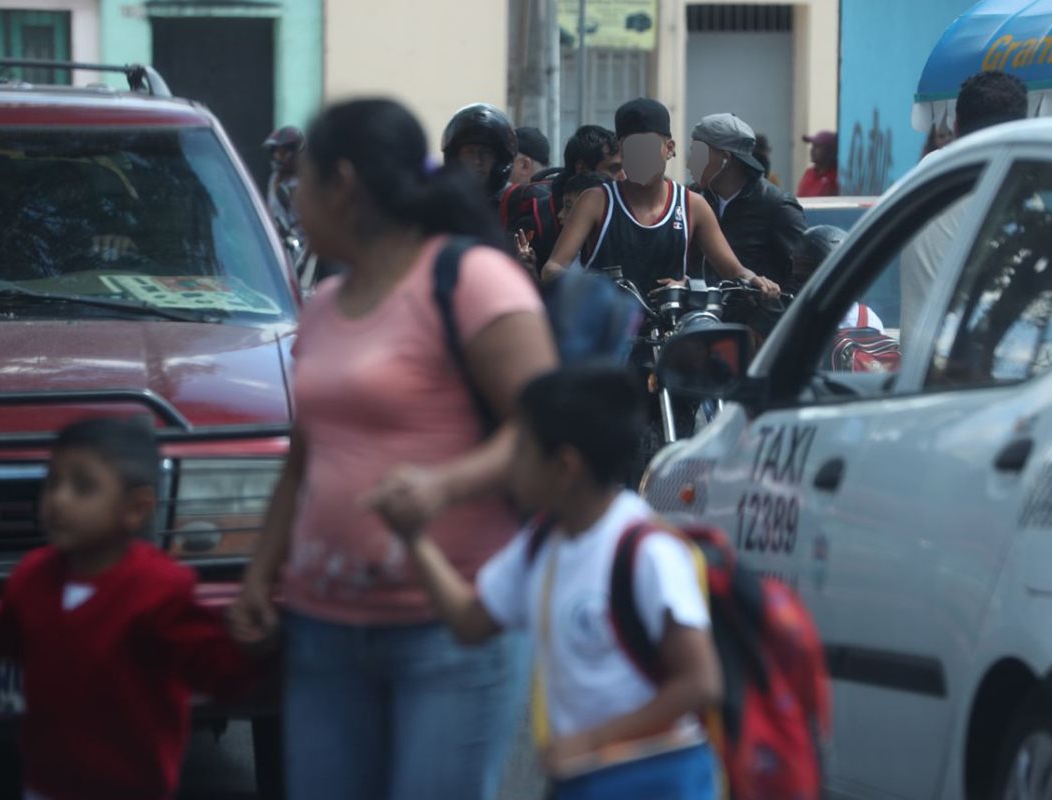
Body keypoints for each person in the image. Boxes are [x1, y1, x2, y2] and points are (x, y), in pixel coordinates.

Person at [227, 98, 558, 800]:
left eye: (303, 183)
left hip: (448, 627)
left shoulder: (471, 281)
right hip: (322, 626)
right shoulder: (323, 303)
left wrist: (443, 487)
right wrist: (260, 574)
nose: (295, 202)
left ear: (343, 183)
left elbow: (547, 426)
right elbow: (304, 457)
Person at [385, 365, 722, 799]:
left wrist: (592, 742)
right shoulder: (541, 544)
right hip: (583, 778)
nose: (510, 466)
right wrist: (414, 539)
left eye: (522, 451)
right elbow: (471, 622)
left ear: (565, 467)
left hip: (660, 779)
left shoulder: (647, 551)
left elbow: (700, 683)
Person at [0, 417, 253, 800]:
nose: (58, 500)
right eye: (53, 483)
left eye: (83, 487)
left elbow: (217, 671)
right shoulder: (33, 578)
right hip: (45, 785)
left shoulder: (158, 589)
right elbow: (4, 639)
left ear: (136, 508)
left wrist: (253, 642)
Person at [544, 98, 781, 300]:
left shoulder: (692, 205)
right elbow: (552, 268)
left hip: (671, 331)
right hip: (608, 330)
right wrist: (592, 284)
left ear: (670, 148)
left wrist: (754, 280)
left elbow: (734, 271)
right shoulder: (596, 201)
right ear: (622, 152)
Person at [900, 71, 1028, 350]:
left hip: (917, 365)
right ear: (1023, 131)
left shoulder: (927, 170)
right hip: (971, 367)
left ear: (956, 126)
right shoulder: (1014, 196)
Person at [688, 113, 807, 287]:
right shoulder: (692, 199)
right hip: (697, 305)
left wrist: (767, 296)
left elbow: (804, 277)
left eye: (698, 154)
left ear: (725, 159)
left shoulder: (776, 206)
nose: (690, 163)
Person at [504, 124, 626, 275]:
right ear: (582, 168)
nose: (623, 177)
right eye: (613, 169)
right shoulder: (539, 219)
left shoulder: (622, 209)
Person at [793, 224, 884, 330]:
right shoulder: (868, 318)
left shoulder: (861, 321)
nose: (797, 275)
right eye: (797, 266)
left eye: (806, 267)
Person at [442, 102, 519, 205]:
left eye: (486, 153)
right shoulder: (439, 204)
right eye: (469, 152)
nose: (477, 161)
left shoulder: (516, 204)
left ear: (500, 160)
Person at [264, 125, 305, 239]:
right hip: (278, 241)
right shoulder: (274, 178)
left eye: (282, 153)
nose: (277, 157)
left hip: (301, 243)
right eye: (275, 152)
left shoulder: (305, 182)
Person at [796, 130, 839, 198]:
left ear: (831, 151)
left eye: (818, 146)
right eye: (813, 146)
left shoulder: (835, 177)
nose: (812, 150)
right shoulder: (809, 173)